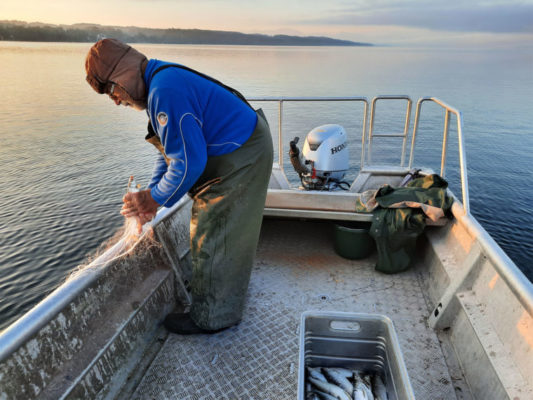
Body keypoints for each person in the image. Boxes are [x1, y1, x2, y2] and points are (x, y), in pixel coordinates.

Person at [85, 38, 273, 334]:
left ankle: (214, 317)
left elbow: (190, 162)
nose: (116, 100)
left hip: (242, 154)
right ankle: (213, 285)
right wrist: (152, 191)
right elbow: (173, 154)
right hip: (243, 143)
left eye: (111, 90)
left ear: (122, 75)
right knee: (220, 232)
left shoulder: (165, 91)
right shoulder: (159, 80)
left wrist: (154, 199)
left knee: (216, 231)